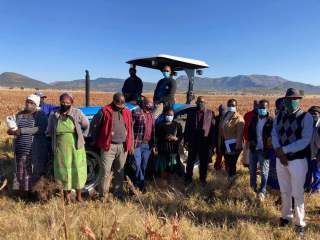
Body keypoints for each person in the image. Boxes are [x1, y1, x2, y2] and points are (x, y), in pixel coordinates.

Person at [271, 88, 313, 236]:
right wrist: (277, 149)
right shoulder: (279, 116)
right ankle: (285, 217)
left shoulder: (306, 117)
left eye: (295, 99)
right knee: (285, 190)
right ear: (285, 100)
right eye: (289, 99)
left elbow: (305, 140)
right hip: (280, 159)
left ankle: (299, 223)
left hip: (297, 161)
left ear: (300, 100)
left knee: (298, 192)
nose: (291, 102)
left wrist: (284, 150)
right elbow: (274, 133)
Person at [47, 93, 89, 203]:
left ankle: (79, 197)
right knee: (64, 172)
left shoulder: (77, 112)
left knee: (78, 171)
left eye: (67, 103)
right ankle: (67, 198)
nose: (65, 104)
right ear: (59, 102)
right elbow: (49, 130)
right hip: (61, 147)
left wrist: (82, 135)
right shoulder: (54, 114)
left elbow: (86, 124)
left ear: (72, 103)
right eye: (63, 102)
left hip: (76, 147)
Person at [8, 94, 48, 199]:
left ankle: (35, 195)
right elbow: (15, 128)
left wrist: (22, 131)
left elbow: (40, 129)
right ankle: (24, 195)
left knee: (34, 172)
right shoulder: (19, 114)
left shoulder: (40, 115)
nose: (28, 104)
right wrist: (11, 131)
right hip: (21, 149)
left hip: (35, 150)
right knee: (22, 173)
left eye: (31, 103)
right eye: (27, 101)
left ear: (36, 105)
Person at [96, 93, 133, 200]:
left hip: (123, 146)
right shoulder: (104, 111)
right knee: (105, 172)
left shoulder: (127, 112)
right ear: (114, 101)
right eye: (119, 105)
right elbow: (95, 126)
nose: (121, 107)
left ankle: (118, 194)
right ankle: (103, 195)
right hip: (108, 146)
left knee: (120, 171)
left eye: (123, 105)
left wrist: (130, 145)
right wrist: (96, 140)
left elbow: (130, 128)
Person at [184, 96, 215, 186]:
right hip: (193, 141)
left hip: (205, 142)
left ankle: (202, 179)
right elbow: (187, 128)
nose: (200, 103)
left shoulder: (210, 113)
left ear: (205, 103)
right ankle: (188, 178)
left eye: (202, 102)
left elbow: (213, 130)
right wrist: (186, 140)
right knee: (190, 161)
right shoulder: (191, 113)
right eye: (199, 102)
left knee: (204, 162)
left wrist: (212, 144)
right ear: (196, 103)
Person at [248, 99, 273, 202]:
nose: (262, 109)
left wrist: (268, 146)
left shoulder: (271, 120)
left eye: (264, 107)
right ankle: (253, 189)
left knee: (264, 172)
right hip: (254, 149)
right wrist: (251, 141)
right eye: (260, 107)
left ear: (267, 108)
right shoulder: (254, 119)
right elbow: (249, 132)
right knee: (252, 171)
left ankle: (262, 190)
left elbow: (273, 135)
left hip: (264, 150)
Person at [132, 97, 155, 192]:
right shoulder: (136, 112)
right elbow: (130, 127)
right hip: (137, 144)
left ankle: (137, 185)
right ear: (144, 103)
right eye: (149, 103)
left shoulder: (152, 115)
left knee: (143, 166)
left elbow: (153, 130)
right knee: (137, 165)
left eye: (152, 104)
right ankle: (140, 184)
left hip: (148, 145)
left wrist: (154, 145)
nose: (151, 105)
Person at [218, 99, 244, 181]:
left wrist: (238, 146)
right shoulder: (224, 116)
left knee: (232, 163)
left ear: (236, 106)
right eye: (229, 105)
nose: (231, 107)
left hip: (234, 145)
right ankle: (229, 179)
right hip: (225, 143)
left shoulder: (239, 118)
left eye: (233, 105)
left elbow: (240, 134)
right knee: (228, 162)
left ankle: (232, 180)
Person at [154, 108, 182, 180]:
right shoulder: (160, 125)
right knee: (163, 168)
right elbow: (156, 136)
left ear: (173, 116)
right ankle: (163, 183)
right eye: (167, 114)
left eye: (171, 115)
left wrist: (176, 138)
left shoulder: (177, 125)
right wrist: (164, 137)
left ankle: (171, 184)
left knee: (172, 168)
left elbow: (181, 136)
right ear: (164, 115)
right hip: (163, 149)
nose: (169, 116)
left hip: (173, 150)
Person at [242, 100, 259, 167]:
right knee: (249, 159)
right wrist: (246, 138)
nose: (256, 106)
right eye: (255, 105)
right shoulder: (247, 115)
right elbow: (244, 128)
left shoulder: (264, 115)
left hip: (260, 141)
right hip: (249, 140)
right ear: (253, 105)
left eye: (258, 105)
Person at [308, 106, 320, 193]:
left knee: (317, 173)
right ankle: (308, 187)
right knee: (307, 172)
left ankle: (315, 190)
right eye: (311, 114)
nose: (313, 115)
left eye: (315, 114)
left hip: (318, 153)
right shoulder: (307, 124)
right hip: (308, 153)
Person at [214, 104, 226, 170]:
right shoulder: (216, 118)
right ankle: (217, 166)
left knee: (226, 155)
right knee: (219, 154)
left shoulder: (228, 119)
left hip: (226, 140)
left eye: (223, 110)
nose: (221, 111)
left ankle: (227, 167)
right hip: (218, 140)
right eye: (220, 110)